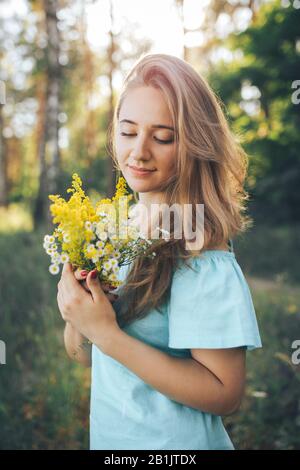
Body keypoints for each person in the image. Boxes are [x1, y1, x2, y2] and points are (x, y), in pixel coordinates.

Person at [58, 53, 262, 450]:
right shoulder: (113, 230)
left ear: (195, 144)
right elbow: (84, 355)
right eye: (128, 131)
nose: (138, 152)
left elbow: (225, 393)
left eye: (163, 136)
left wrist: (106, 332)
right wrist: (77, 314)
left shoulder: (199, 250)